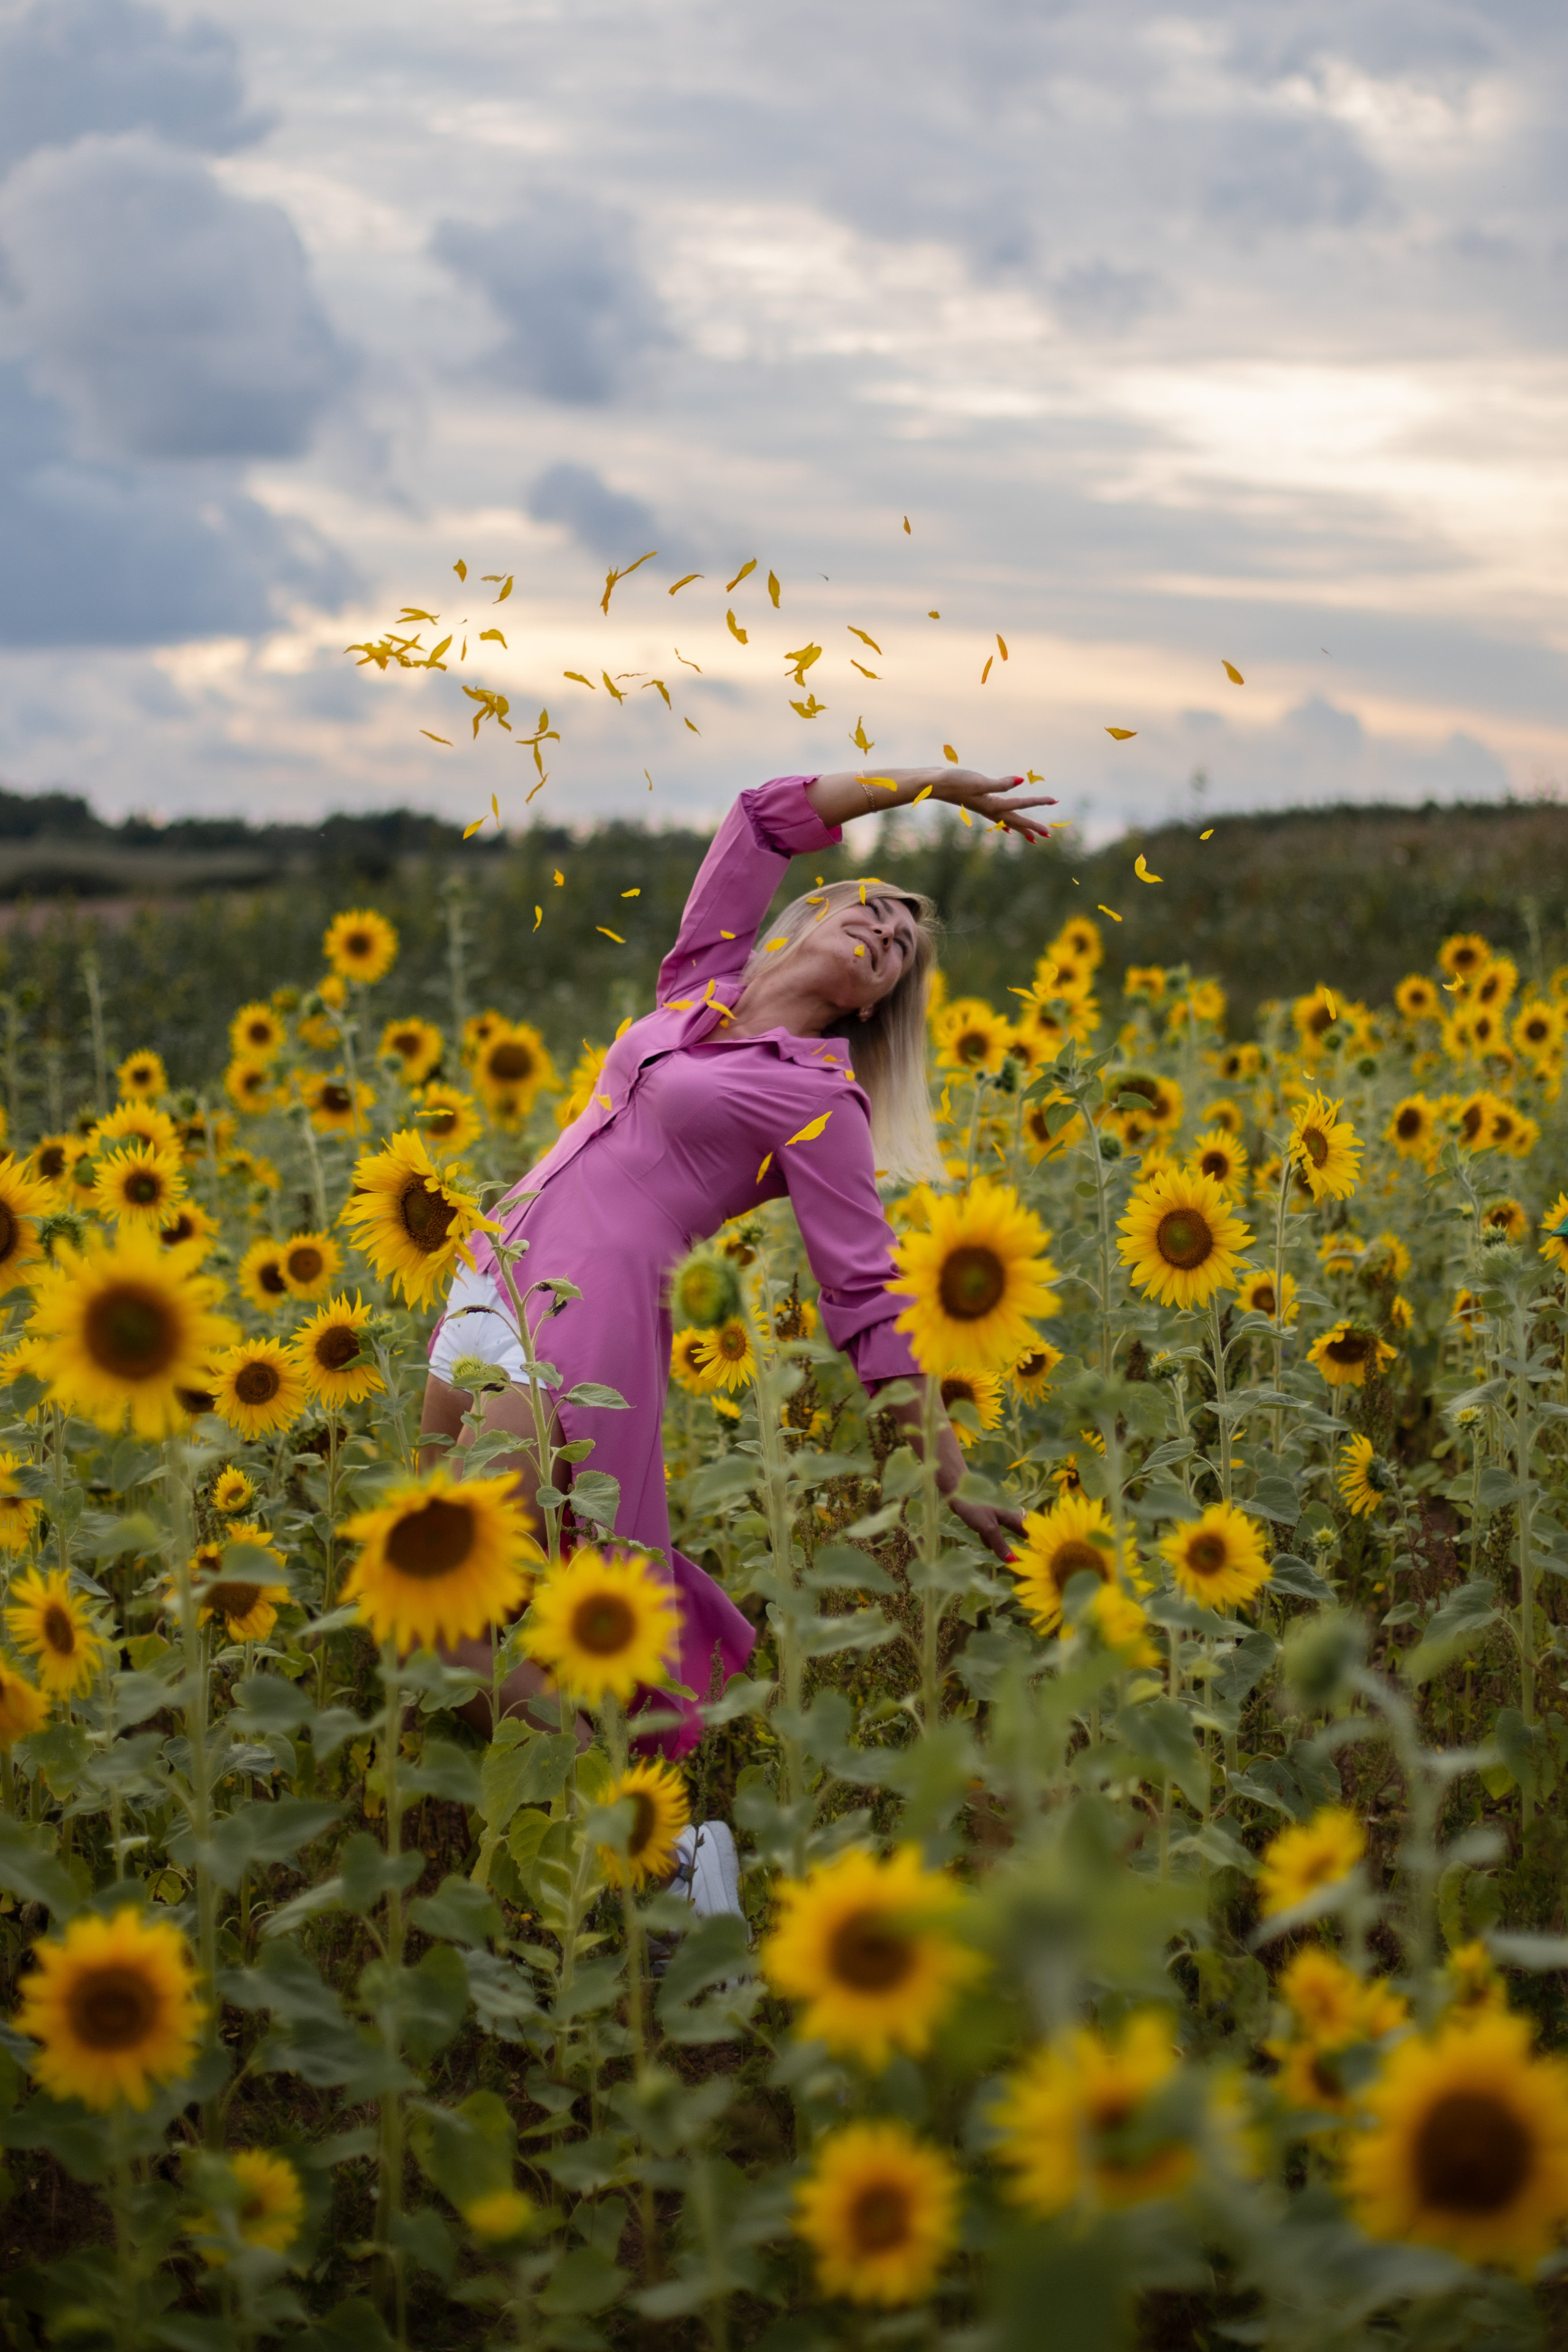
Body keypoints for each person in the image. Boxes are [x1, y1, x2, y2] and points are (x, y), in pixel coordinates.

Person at [418, 765, 1055, 1800]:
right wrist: (928, 784)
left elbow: (871, 1305)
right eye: (879, 913)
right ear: (820, 909)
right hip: (489, 1276)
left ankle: (645, 1856)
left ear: (876, 1001)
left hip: (586, 1332)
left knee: (444, 1606)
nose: (887, 938)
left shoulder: (820, 1100)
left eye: (899, 953)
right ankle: (581, 1855)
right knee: (427, 1603)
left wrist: (954, 1476)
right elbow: (760, 817)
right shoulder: (698, 987)